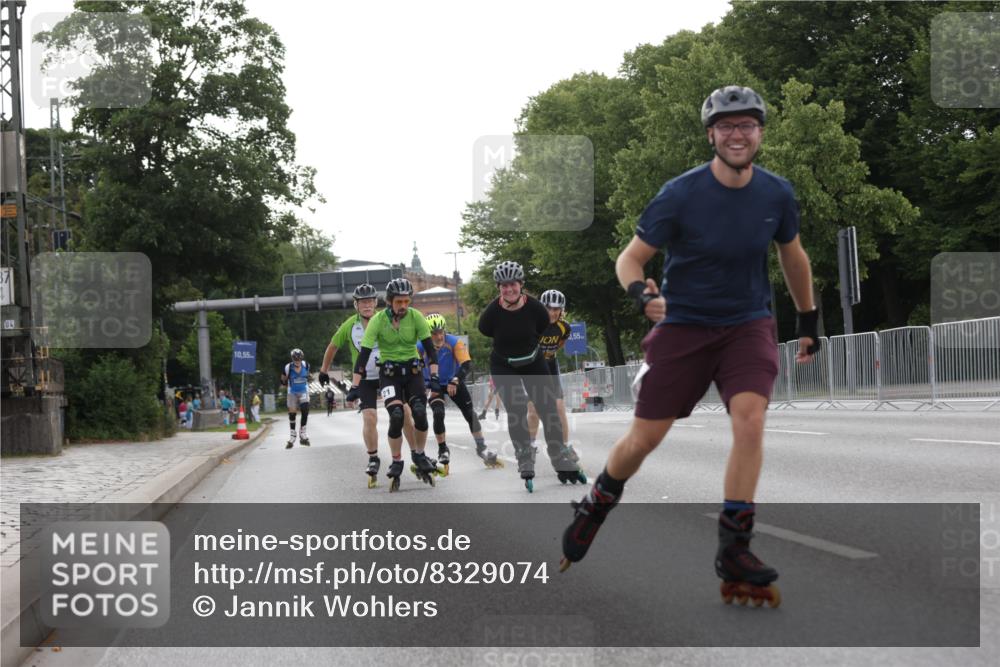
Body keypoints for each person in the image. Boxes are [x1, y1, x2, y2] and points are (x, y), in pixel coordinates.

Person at [559, 86, 821, 609]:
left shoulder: (776, 194)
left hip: (748, 324)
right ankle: (596, 504)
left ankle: (735, 547)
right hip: (684, 328)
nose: (738, 134)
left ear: (761, 132)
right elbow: (629, 260)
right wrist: (641, 293)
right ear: (711, 135)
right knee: (643, 441)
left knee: (750, 419)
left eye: (747, 124)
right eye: (727, 126)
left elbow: (794, 258)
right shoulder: (680, 194)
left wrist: (809, 318)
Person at [478, 261, 586, 492]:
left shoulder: (536, 309)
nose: (509, 290)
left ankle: (558, 454)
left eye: (513, 285)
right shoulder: (491, 314)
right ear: (499, 287)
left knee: (548, 408)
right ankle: (524, 454)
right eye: (504, 286)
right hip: (503, 365)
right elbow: (485, 330)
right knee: (516, 408)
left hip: (533, 361)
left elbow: (542, 326)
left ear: (521, 285)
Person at [319, 283, 418, 488]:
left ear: (376, 303)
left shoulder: (387, 319)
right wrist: (323, 370)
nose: (367, 305)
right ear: (356, 305)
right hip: (364, 379)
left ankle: (417, 454)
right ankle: (373, 458)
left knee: (405, 413)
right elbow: (333, 346)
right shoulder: (350, 325)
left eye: (370, 301)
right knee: (369, 416)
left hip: (388, 374)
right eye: (362, 302)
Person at [347, 278, 440, 491]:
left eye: (407, 301)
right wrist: (354, 387)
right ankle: (397, 460)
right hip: (390, 375)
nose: (403, 306)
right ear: (389, 301)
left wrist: (434, 378)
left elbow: (431, 352)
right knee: (397, 415)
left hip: (414, 373)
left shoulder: (416, 317)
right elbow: (364, 356)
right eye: (399, 302)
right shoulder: (378, 321)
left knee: (419, 412)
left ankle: (419, 454)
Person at [417, 313, 503, 473]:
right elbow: (414, 367)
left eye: (440, 332)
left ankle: (481, 448)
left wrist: (455, 380)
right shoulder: (421, 346)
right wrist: (423, 385)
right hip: (433, 384)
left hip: (453, 381)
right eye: (434, 333)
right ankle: (442, 449)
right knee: (438, 413)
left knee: (470, 414)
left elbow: (466, 364)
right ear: (428, 334)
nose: (438, 336)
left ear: (444, 331)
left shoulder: (453, 342)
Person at [526, 289, 577, 462]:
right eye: (549, 308)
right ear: (543, 308)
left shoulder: (564, 328)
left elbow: (559, 344)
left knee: (560, 407)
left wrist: (547, 355)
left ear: (561, 310)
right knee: (533, 410)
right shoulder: (533, 325)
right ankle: (530, 446)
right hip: (532, 368)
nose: (553, 313)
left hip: (550, 366)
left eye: (557, 309)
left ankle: (564, 446)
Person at [281, 348, 312, 448]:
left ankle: (303, 432)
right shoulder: (288, 367)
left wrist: (309, 377)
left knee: (305, 409)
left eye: (299, 359)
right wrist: (285, 382)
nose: (297, 361)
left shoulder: (306, 365)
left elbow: (308, 375)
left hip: (304, 390)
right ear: (292, 359)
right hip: (292, 392)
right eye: (295, 359)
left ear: (301, 358)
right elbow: (283, 379)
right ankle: (292, 434)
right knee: (292, 413)